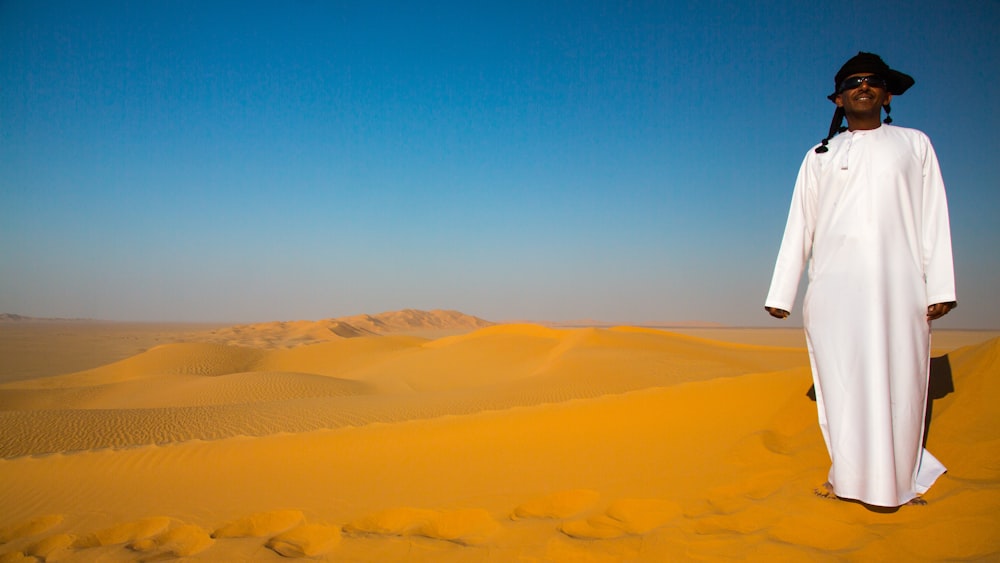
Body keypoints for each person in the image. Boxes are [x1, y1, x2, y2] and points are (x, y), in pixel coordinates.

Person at [764, 52, 957, 508]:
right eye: (853, 82)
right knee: (841, 384)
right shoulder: (819, 157)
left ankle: (901, 481)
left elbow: (935, 215)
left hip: (902, 287)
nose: (863, 87)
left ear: (887, 94)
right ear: (838, 98)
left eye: (873, 81)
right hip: (835, 290)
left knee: (904, 383)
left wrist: (941, 286)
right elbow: (800, 226)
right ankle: (846, 478)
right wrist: (782, 293)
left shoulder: (915, 144)